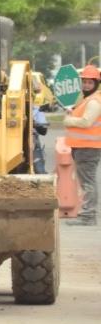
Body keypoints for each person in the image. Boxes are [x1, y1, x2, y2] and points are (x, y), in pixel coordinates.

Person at [64, 64, 101, 225]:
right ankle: (87, 215)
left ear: (96, 84)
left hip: (88, 149)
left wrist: (68, 120)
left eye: (90, 83)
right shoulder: (87, 99)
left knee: (88, 183)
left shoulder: (94, 101)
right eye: (84, 82)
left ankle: (88, 217)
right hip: (83, 148)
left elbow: (86, 122)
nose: (86, 85)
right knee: (87, 182)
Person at [32, 105, 48, 174]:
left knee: (39, 170)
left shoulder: (37, 110)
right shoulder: (36, 110)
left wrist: (34, 123)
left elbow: (43, 130)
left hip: (31, 139)